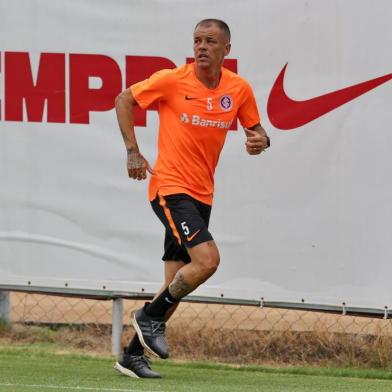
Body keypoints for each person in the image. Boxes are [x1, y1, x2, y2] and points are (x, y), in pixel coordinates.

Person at [114, 18, 270, 379]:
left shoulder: (238, 88)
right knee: (208, 260)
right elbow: (125, 99)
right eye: (197, 40)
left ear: (226, 50)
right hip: (170, 189)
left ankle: (132, 356)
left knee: (178, 281)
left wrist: (261, 140)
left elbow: (256, 130)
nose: (201, 47)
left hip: (202, 194)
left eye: (210, 42)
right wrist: (132, 152)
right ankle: (148, 318)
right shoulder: (172, 79)